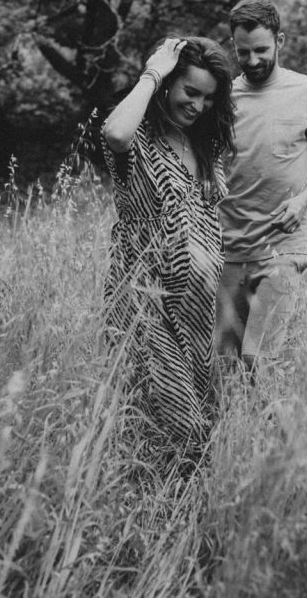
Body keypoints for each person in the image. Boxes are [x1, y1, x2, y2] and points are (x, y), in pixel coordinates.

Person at [99, 36, 236, 453]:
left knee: (207, 422)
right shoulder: (138, 139)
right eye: (189, 92)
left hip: (201, 310)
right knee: (180, 423)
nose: (197, 106)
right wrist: (153, 72)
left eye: (208, 98)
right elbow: (115, 133)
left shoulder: (203, 145)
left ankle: (182, 510)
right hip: (148, 298)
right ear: (167, 85)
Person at [215, 0, 307, 375]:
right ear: (232, 46)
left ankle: (265, 431)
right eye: (244, 52)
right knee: (225, 364)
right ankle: (233, 433)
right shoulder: (222, 99)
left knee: (259, 359)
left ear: (281, 41)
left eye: (261, 50)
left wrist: (303, 200)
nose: (253, 60)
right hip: (228, 247)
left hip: (283, 245)